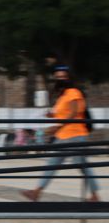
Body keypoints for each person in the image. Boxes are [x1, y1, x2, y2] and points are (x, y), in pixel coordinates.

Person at [22, 66, 100, 202]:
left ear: (69, 78)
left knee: (81, 165)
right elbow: (60, 113)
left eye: (63, 77)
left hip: (75, 135)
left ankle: (95, 195)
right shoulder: (62, 97)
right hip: (62, 136)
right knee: (52, 164)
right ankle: (36, 192)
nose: (60, 79)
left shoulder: (74, 92)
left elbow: (74, 112)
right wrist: (49, 114)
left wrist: (56, 126)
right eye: (58, 77)